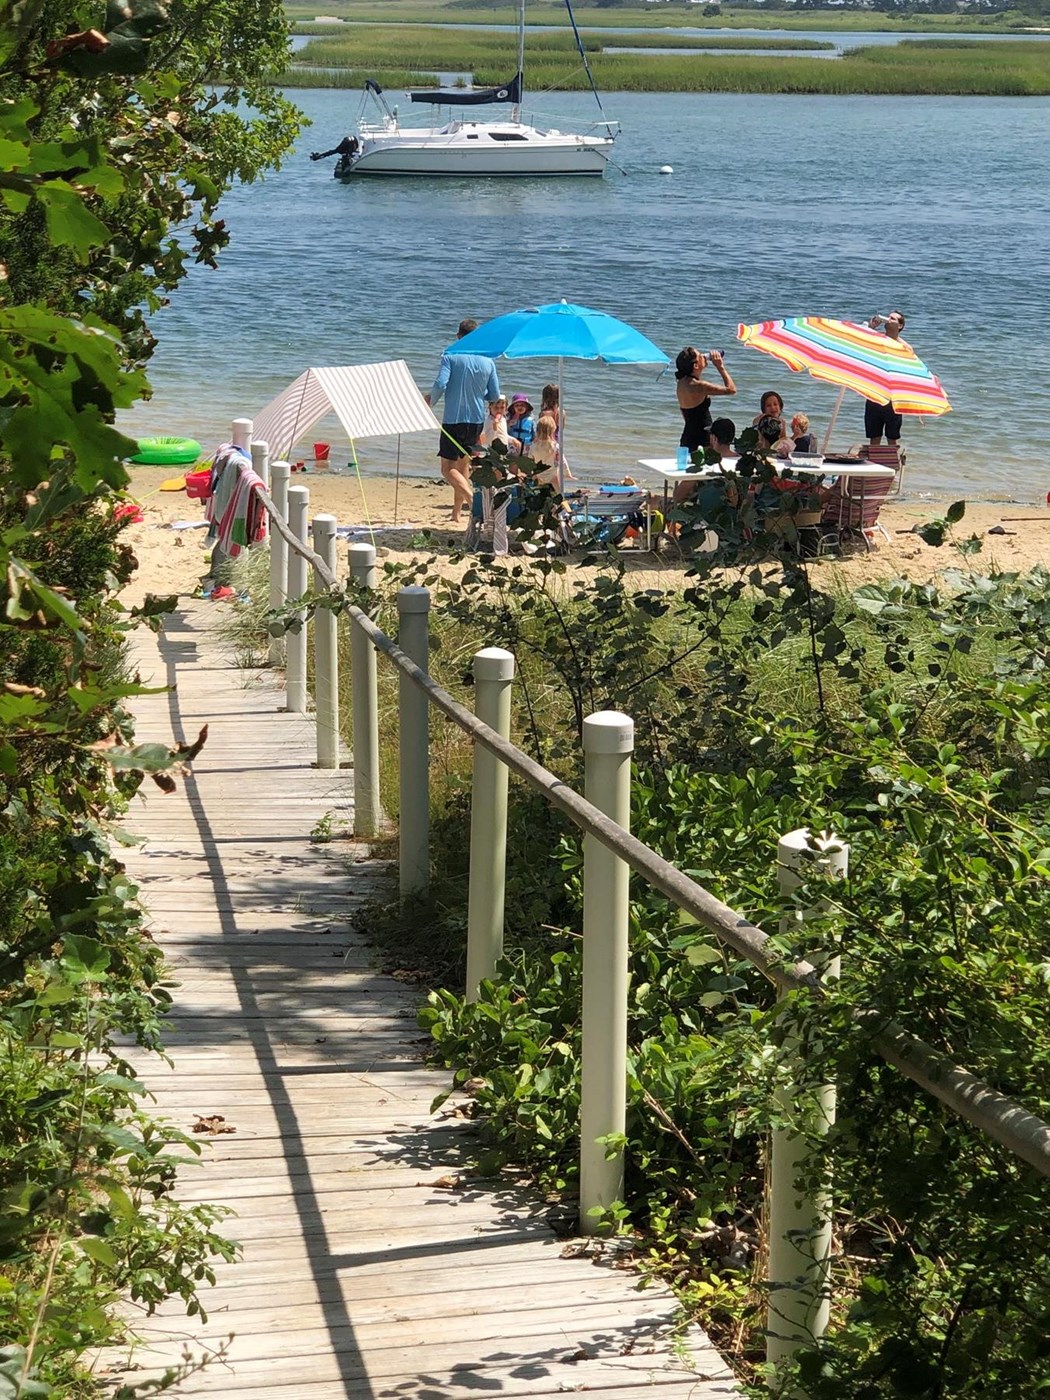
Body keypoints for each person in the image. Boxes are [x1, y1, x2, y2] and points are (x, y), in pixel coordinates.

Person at [426, 318, 501, 525]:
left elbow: (441, 383)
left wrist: (429, 402)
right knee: (463, 467)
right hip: (476, 420)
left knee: (447, 468)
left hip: (454, 420)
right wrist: (477, 392)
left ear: (459, 337)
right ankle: (456, 514)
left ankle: (473, 500)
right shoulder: (488, 361)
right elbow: (494, 395)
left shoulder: (450, 356)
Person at [675, 347, 736, 451]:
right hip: (702, 439)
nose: (704, 357)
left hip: (687, 436)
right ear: (696, 365)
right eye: (701, 356)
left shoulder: (681, 383)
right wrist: (720, 367)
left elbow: (683, 412)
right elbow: (731, 389)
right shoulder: (698, 386)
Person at [865, 310, 907, 446]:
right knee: (874, 438)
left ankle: (893, 466)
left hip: (893, 399)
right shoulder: (876, 340)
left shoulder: (904, 348)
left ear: (900, 326)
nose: (888, 319)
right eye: (888, 317)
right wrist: (870, 328)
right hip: (874, 394)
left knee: (892, 439)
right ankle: (874, 465)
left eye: (893, 319)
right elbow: (858, 343)